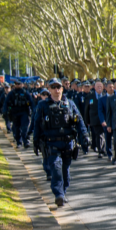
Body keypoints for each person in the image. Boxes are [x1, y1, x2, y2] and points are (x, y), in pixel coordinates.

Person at [31, 78, 90, 207]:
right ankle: (58, 194)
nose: (56, 90)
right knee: (56, 169)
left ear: (62, 89)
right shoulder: (43, 105)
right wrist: (35, 141)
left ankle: (62, 192)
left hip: (67, 143)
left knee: (65, 172)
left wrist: (85, 135)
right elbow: (37, 124)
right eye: (53, 87)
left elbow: (79, 121)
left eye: (58, 87)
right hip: (51, 143)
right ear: (49, 89)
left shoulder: (70, 103)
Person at [4, 82, 34, 148]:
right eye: (16, 84)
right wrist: (5, 111)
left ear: (22, 84)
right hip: (15, 113)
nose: (18, 85)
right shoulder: (11, 93)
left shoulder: (26, 93)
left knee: (24, 128)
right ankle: (19, 142)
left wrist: (33, 111)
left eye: (19, 84)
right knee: (16, 129)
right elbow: (6, 102)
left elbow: (31, 102)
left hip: (24, 112)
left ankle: (25, 142)